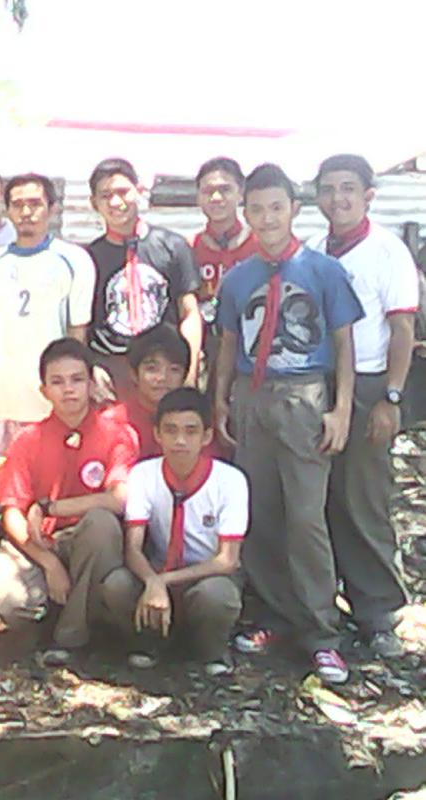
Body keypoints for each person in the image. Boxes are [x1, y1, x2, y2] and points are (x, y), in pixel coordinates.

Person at [213, 163, 364, 685]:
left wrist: (341, 408)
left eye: (276, 207)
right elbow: (229, 342)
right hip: (251, 396)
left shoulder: (323, 271)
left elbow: (344, 343)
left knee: (307, 519)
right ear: (245, 212)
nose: (267, 218)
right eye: (256, 209)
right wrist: (221, 402)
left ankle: (322, 633)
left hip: (303, 395)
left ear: (294, 210)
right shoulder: (238, 277)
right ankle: (275, 616)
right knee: (261, 515)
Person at [306, 154, 418, 658]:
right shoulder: (311, 249)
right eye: (328, 190)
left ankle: (378, 612)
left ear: (368, 194)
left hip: (371, 382)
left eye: (348, 188)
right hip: (316, 384)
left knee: (364, 498)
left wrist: (391, 397)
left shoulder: (387, 251)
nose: (338, 199)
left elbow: (402, 329)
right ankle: (322, 607)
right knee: (317, 501)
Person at [0, 337, 136, 661]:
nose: (68, 390)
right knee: (10, 600)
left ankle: (70, 635)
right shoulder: (27, 440)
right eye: (57, 382)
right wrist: (49, 562)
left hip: (90, 546)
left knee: (101, 524)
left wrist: (51, 507)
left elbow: (119, 500)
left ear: (90, 384)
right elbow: (12, 512)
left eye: (77, 380)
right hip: (42, 542)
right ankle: (45, 622)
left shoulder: (116, 435)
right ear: (43, 391)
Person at [102, 388, 247, 675]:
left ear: (206, 436)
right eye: (170, 430)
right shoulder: (144, 474)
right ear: (157, 434)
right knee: (116, 585)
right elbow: (133, 548)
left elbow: (227, 560)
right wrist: (152, 579)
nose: (180, 440)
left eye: (191, 431)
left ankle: (209, 651)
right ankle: (149, 642)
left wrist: (163, 581)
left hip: (207, 572)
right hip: (158, 564)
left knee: (216, 596)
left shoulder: (229, 480)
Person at [0, 173, 96, 456]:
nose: (26, 212)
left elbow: (77, 338)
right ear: (7, 210)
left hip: (50, 405)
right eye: (17, 205)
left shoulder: (74, 260)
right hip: (0, 402)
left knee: (50, 492)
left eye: (35, 204)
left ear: (52, 209)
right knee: (3, 493)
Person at [86, 158, 203, 393]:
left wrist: (189, 376)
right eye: (105, 195)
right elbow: (82, 325)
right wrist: (90, 369)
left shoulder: (173, 245)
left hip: (165, 365)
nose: (116, 202)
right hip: (112, 368)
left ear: (139, 192)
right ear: (94, 202)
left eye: (123, 192)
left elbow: (189, 312)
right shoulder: (88, 258)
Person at [191, 157, 259, 331]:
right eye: (208, 191)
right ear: (198, 196)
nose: (216, 198)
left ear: (241, 192)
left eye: (225, 189)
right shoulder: (189, 247)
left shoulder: (260, 245)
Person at [114, 325, 191, 459]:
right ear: (134, 373)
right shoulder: (114, 424)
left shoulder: (195, 424)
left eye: (174, 370)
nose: (162, 378)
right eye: (152, 369)